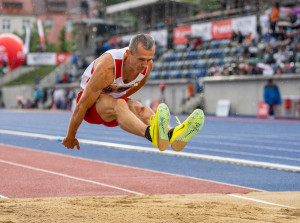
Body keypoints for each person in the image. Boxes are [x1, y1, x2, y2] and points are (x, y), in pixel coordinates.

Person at [62, 33, 204, 152]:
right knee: (119, 105)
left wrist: (121, 103)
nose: (144, 64)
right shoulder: (107, 68)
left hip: (114, 103)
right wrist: (70, 136)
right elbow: (81, 105)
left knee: (142, 110)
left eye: (149, 59)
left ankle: (172, 134)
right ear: (128, 54)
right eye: (141, 59)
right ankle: (151, 134)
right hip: (90, 108)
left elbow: (131, 89)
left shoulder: (147, 67)